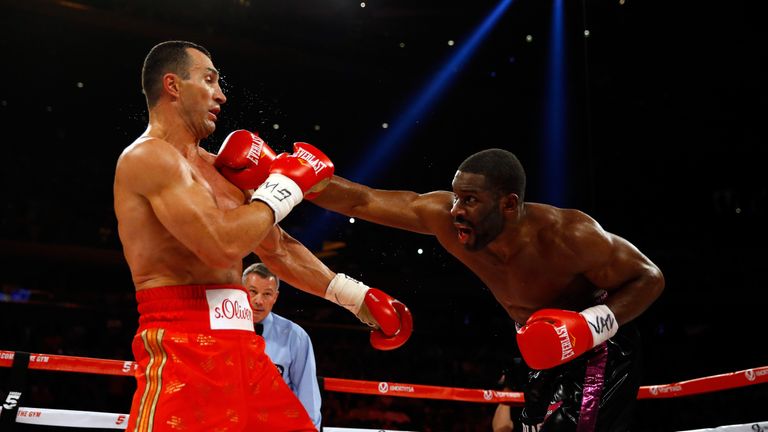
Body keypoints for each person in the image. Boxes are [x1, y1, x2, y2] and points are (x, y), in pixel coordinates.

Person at [113, 40, 412, 432]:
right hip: (181, 341)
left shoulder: (218, 167)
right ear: (173, 85)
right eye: (209, 80)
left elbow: (277, 248)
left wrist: (356, 298)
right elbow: (220, 245)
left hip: (246, 348)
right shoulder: (147, 158)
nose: (220, 95)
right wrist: (280, 190)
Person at [309, 148, 665, 431]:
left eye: (470, 200)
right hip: (535, 346)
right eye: (455, 198)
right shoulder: (444, 219)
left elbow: (649, 277)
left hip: (599, 348)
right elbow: (362, 200)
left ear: (509, 204)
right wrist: (288, 177)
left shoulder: (567, 235)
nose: (456, 210)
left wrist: (590, 326)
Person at [243, 262, 323, 430]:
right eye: (253, 292)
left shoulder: (295, 337)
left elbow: (308, 393)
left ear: (275, 297)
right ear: (240, 292)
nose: (259, 301)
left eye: (267, 294)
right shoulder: (222, 331)